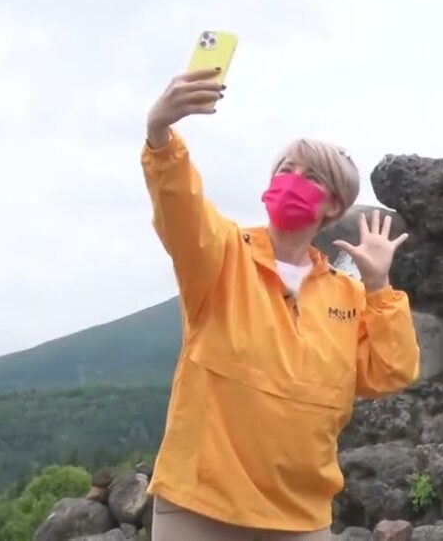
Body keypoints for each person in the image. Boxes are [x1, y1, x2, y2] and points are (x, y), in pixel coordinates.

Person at [139, 67, 421, 540]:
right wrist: (160, 136)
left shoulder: (347, 295)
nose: (293, 180)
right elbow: (180, 209)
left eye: (310, 176)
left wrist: (378, 286)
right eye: (285, 171)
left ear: (334, 205)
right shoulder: (222, 255)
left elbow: (389, 372)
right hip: (200, 506)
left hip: (301, 517)